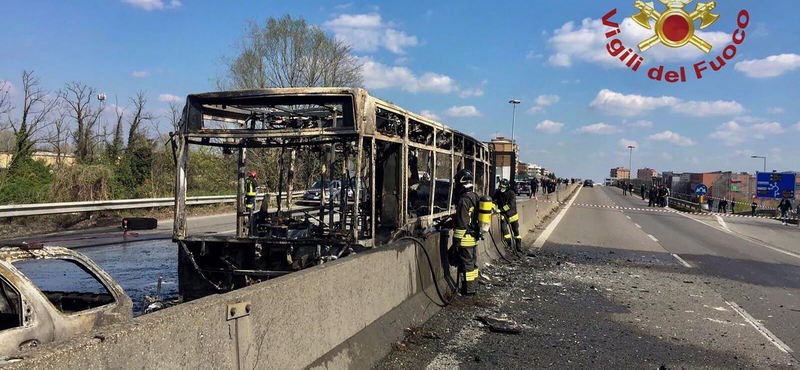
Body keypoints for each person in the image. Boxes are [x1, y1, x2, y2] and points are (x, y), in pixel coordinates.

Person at [453, 169, 480, 297]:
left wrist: (456, 241)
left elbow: (461, 223)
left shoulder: (463, 200)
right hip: (474, 237)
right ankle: (473, 287)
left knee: (467, 265)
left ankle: (468, 291)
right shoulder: (475, 196)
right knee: (473, 264)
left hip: (465, 238)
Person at [493, 179, 522, 252]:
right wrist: (492, 206)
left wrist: (501, 210)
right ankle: (509, 245)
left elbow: (510, 205)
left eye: (503, 187)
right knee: (504, 231)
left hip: (512, 215)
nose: (502, 189)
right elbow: (494, 200)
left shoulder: (511, 193)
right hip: (503, 216)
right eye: (501, 187)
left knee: (516, 232)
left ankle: (518, 247)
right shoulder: (498, 193)